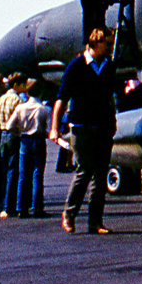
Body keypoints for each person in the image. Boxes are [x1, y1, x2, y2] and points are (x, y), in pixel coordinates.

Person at [51, 27, 120, 234]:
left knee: (100, 176)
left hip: (104, 127)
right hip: (82, 128)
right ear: (95, 44)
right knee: (84, 172)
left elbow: (110, 97)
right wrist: (55, 128)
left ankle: (95, 222)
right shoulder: (76, 66)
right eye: (107, 44)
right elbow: (62, 99)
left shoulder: (108, 67)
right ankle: (69, 214)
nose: (111, 48)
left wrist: (113, 119)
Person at [4, 84, 50, 218]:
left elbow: (9, 125)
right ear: (40, 93)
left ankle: (21, 208)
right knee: (37, 173)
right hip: (38, 140)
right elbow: (48, 129)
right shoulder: (45, 109)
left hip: (24, 139)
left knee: (23, 174)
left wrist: (18, 132)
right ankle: (37, 207)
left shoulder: (20, 108)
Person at [0, 76, 23, 219]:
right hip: (14, 135)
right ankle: (11, 206)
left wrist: (0, 131)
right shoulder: (17, 100)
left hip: (3, 136)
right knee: (14, 171)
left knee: (4, 170)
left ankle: (2, 205)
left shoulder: (0, 100)